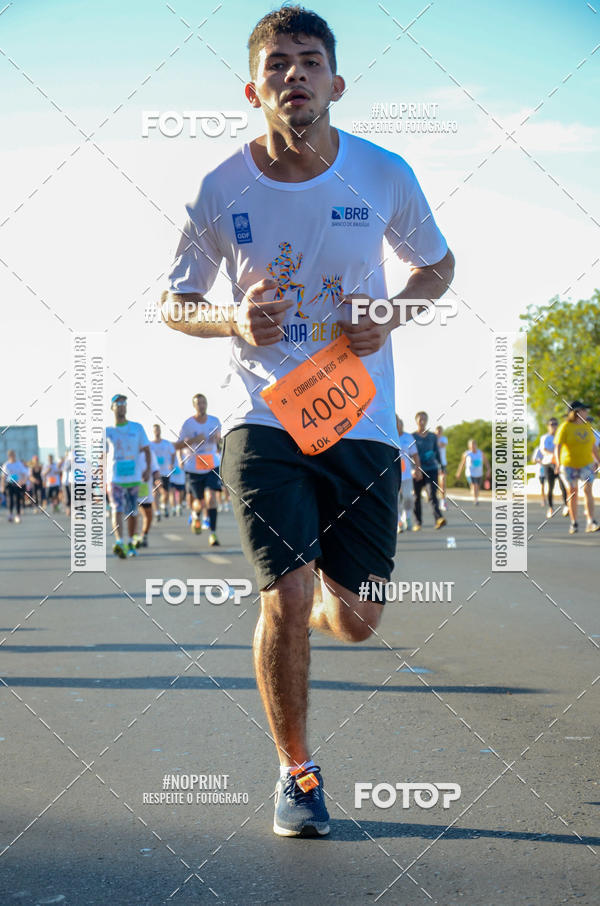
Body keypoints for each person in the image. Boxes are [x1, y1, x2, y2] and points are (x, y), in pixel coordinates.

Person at [162, 4, 454, 837]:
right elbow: (173, 302)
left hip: (359, 417)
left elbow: (438, 263)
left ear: (336, 81)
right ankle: (298, 773)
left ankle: (330, 583)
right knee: (283, 598)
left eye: (309, 61)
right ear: (254, 87)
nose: (295, 75)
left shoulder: (383, 171)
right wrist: (229, 320)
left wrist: (393, 313)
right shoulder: (221, 186)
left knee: (355, 620)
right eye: (279, 64)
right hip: (262, 418)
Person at [105, 394, 151, 557]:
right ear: (112, 408)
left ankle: (131, 541)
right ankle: (119, 542)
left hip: (133, 477)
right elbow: (101, 455)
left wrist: (147, 470)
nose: (121, 406)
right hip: (115, 478)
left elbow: (146, 450)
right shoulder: (108, 432)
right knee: (116, 509)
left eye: (124, 403)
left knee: (132, 511)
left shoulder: (137, 428)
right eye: (118, 403)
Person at [175, 394, 222, 546]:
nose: (201, 405)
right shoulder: (188, 424)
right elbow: (178, 446)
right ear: (194, 406)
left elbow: (220, 443)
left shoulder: (215, 421)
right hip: (194, 467)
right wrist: (195, 440)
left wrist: (218, 440)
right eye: (198, 403)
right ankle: (196, 514)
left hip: (211, 464)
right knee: (199, 503)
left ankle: (213, 534)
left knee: (211, 498)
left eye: (204, 403)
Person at [554, 401, 600, 534]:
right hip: (569, 465)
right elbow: (558, 447)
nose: (587, 412)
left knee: (587, 490)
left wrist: (598, 461)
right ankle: (574, 523)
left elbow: (593, 446)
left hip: (586, 464)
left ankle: (591, 521)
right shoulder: (565, 427)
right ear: (577, 412)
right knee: (572, 493)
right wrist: (558, 463)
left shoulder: (587, 426)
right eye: (584, 410)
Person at [412, 412, 447, 529]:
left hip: (431, 469)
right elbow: (409, 454)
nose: (422, 421)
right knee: (417, 497)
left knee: (432, 494)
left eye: (424, 419)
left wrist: (442, 467)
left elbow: (437, 453)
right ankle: (418, 522)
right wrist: (413, 469)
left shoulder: (432, 437)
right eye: (420, 419)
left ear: (427, 421)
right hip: (418, 471)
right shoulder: (412, 437)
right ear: (416, 421)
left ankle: (439, 518)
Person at [534, 418, 568, 519]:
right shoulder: (545, 438)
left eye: (555, 424)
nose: (553, 426)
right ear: (548, 426)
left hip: (559, 463)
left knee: (563, 485)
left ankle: (566, 506)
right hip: (548, 463)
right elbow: (543, 450)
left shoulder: (560, 437)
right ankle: (550, 508)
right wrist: (553, 454)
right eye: (551, 424)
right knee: (551, 486)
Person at [395, 416, 420, 532]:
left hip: (406, 475)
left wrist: (418, 469)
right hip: (393, 475)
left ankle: (408, 517)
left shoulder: (408, 437)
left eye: (398, 422)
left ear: (401, 423)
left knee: (408, 498)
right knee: (395, 500)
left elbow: (415, 455)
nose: (397, 424)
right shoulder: (388, 436)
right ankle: (399, 522)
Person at [149, 424, 176, 520]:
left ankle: (164, 506)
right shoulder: (150, 444)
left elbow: (173, 453)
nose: (157, 431)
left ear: (160, 431)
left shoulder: (166, 443)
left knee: (166, 493)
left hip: (165, 472)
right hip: (154, 472)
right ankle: (157, 512)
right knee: (154, 493)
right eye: (155, 430)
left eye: (158, 430)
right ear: (153, 431)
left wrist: (171, 463)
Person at [136, 448, 160, 547]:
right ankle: (134, 537)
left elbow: (155, 469)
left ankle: (144, 535)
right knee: (133, 513)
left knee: (148, 513)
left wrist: (157, 479)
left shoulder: (149, 453)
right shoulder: (126, 450)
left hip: (144, 486)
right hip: (129, 485)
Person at [455, 439, 491, 504]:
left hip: (479, 473)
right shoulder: (466, 454)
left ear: (476, 445)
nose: (473, 446)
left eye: (474, 444)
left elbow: (486, 461)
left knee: (477, 487)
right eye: (471, 445)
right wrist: (459, 472)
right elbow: (462, 464)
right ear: (469, 446)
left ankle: (475, 497)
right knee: (474, 485)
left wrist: (488, 469)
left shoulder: (480, 453)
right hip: (470, 473)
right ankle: (475, 500)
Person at [1, 450, 29, 523]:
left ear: (14, 455)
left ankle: (18, 515)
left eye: (13, 455)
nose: (12, 456)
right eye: (10, 455)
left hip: (17, 484)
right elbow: (3, 477)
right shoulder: (6, 465)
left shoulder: (19, 464)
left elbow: (24, 474)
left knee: (17, 500)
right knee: (10, 500)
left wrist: (22, 481)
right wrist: (2, 486)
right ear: (8, 456)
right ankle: (10, 514)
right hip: (9, 484)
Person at [435, 425, 449, 511]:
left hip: (442, 463)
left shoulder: (444, 439)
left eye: (440, 431)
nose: (439, 433)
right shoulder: (432, 439)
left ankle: (443, 501)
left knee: (442, 482)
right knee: (434, 483)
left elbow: (442, 445)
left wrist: (435, 441)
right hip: (433, 464)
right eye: (437, 431)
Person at [60, 449, 73, 517]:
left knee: (72, 496)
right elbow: (64, 468)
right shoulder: (65, 462)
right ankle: (68, 508)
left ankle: (72, 509)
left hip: (71, 481)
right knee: (67, 497)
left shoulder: (74, 461)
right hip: (65, 482)